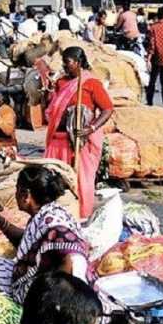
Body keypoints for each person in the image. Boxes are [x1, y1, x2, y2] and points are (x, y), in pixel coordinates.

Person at [0, 165, 93, 303]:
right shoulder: (50, 211)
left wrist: (49, 300)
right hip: (49, 280)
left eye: (17, 191)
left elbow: (70, 259)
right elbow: (28, 243)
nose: (15, 195)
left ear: (26, 196)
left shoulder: (53, 224)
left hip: (61, 294)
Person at [44, 47, 113, 219]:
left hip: (78, 143)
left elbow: (107, 109)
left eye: (67, 62)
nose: (64, 66)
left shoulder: (91, 84)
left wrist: (92, 128)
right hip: (57, 140)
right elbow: (53, 108)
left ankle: (80, 216)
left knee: (80, 181)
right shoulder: (61, 82)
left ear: (78, 62)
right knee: (55, 180)